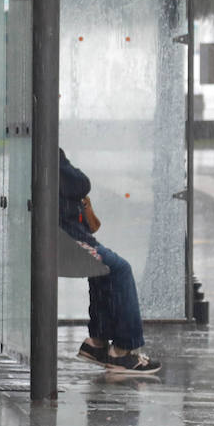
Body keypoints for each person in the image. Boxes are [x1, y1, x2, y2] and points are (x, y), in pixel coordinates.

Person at [59, 148, 162, 375]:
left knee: (104, 269)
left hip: (61, 237)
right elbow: (81, 183)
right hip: (67, 239)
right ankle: (123, 352)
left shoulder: (31, 150)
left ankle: (96, 342)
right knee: (119, 269)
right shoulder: (47, 151)